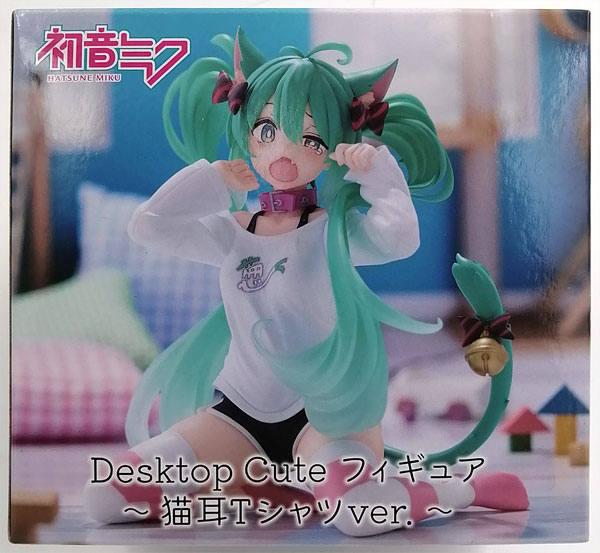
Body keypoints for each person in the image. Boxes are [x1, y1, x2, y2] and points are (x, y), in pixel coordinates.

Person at [83, 28, 527, 536]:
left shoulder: (335, 231)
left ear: (334, 145)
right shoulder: (231, 233)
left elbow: (400, 238)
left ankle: (461, 490)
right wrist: (212, 180)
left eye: (311, 138)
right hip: (237, 415)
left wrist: (378, 172)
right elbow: (148, 226)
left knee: (359, 514)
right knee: (109, 494)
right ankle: (258, 485)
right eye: (266, 130)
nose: (284, 150)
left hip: (328, 417)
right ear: (246, 127)